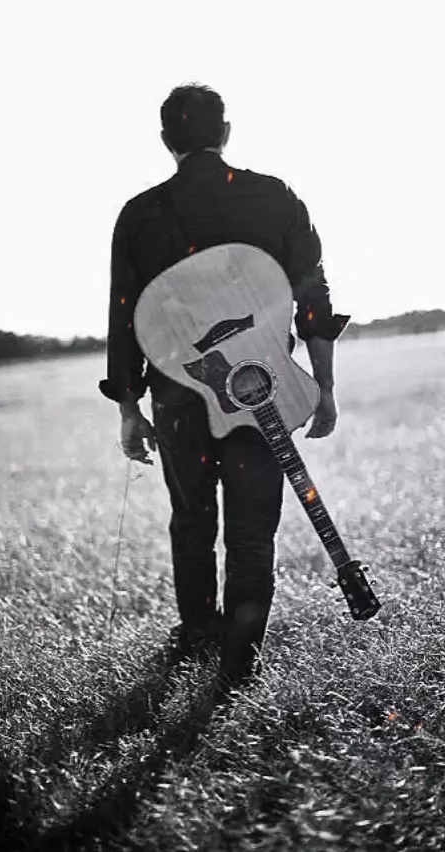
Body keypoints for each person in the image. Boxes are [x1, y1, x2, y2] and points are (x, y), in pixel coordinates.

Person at [99, 84, 349, 691]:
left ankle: (198, 638)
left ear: (166, 141)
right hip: (262, 389)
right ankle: (240, 663)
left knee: (192, 521)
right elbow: (313, 298)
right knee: (251, 528)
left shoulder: (139, 214)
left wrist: (129, 408)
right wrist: (323, 386)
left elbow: (124, 315)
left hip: (179, 394)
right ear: (226, 133)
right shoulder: (274, 196)